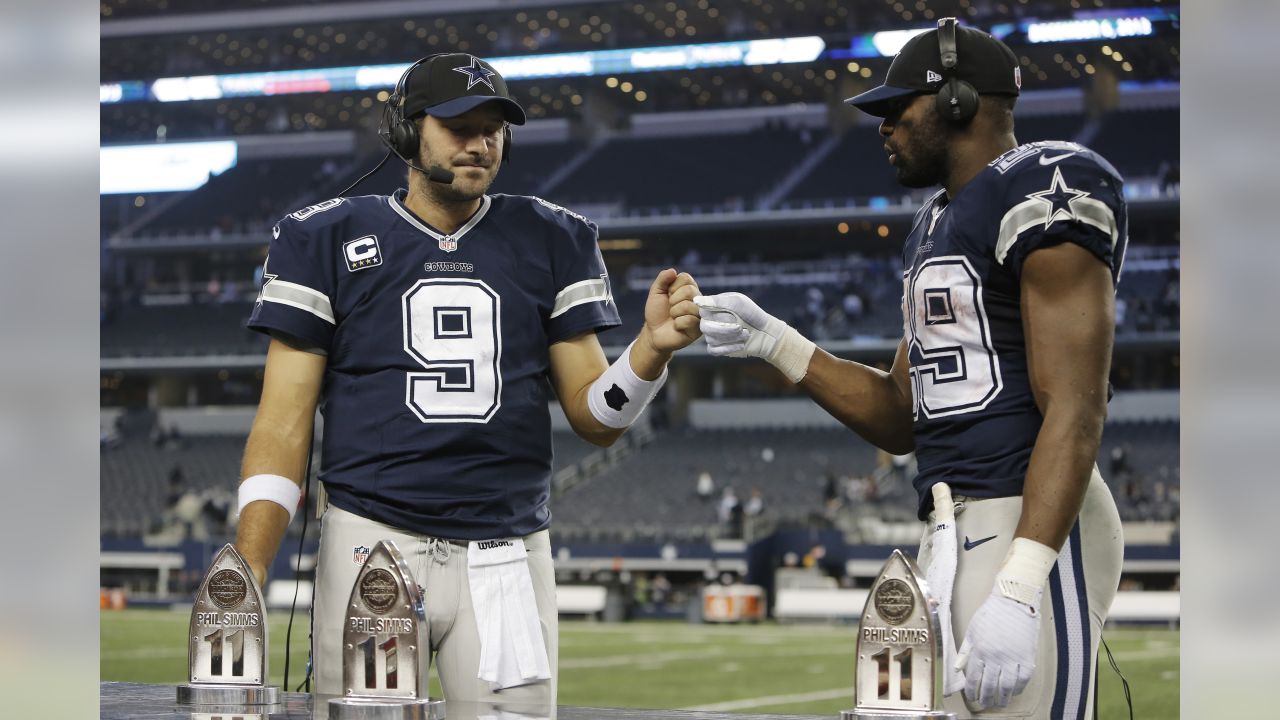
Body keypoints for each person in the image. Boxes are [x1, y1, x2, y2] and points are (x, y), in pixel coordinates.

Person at [685, 19, 1125, 719]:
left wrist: (1019, 584)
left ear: (956, 101)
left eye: (898, 109)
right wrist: (776, 343)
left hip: (1029, 520)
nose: (884, 127)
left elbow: (1077, 404)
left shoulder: (1047, 186)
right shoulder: (935, 222)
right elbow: (900, 412)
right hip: (950, 529)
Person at [229, 52, 701, 704]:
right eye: (460, 125)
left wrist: (650, 351)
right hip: (373, 542)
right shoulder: (324, 238)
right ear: (407, 131)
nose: (481, 143)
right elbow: (282, 423)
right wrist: (250, 566)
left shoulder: (552, 237)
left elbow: (595, 417)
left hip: (507, 552)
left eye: (494, 128)